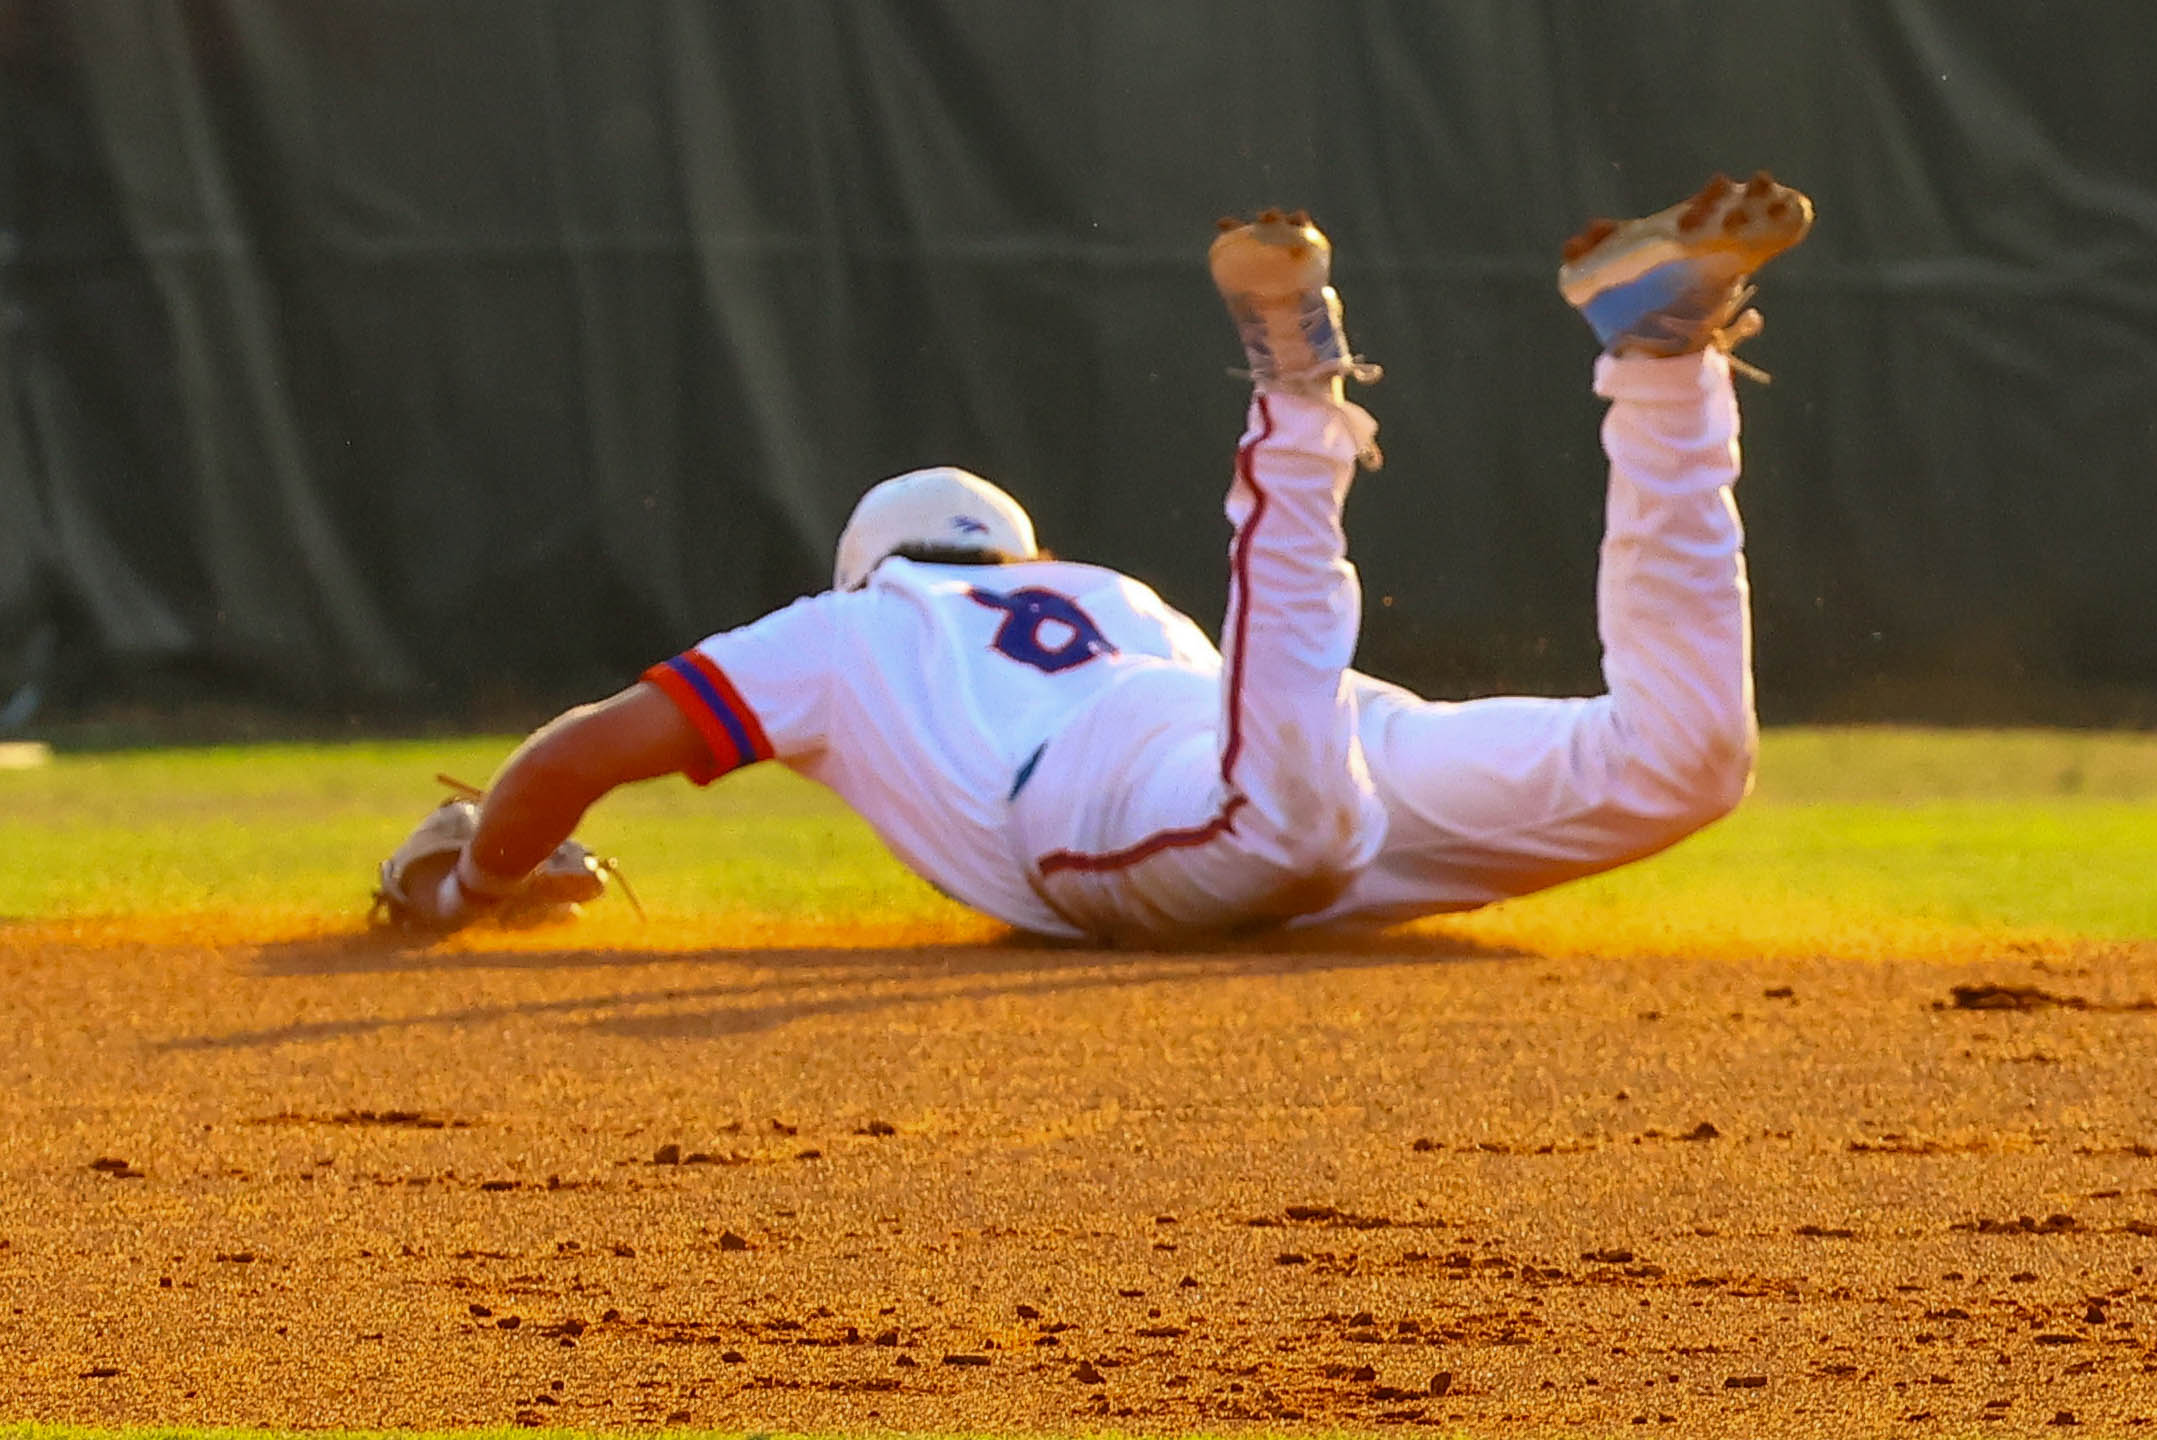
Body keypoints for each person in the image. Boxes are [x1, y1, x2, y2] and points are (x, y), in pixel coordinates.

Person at [374, 174, 1814, 946]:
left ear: (867, 564)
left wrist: (476, 885)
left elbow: (579, 751)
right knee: (1680, 765)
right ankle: (1660, 364)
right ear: (1022, 551)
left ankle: (1295, 397)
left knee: (1291, 827)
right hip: (1291, 738)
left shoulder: (843, 627)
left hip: (1122, 792)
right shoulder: (1094, 588)